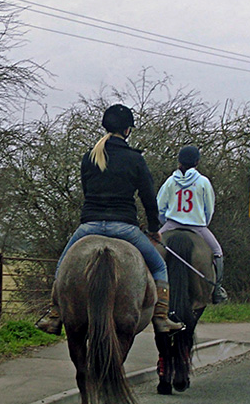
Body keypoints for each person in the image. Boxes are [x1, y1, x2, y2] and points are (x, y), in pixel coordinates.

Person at [36, 104, 183, 335]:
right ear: (127, 130)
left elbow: (87, 191)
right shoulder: (135, 159)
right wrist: (154, 228)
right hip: (125, 228)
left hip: (90, 227)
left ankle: (54, 315)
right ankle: (162, 318)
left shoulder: (90, 158)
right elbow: (148, 198)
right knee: (159, 266)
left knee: (63, 265)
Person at [155, 145, 228, 304]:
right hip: (198, 227)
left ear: (179, 162)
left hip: (171, 225)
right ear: (197, 162)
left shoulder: (170, 182)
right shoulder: (203, 182)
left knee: (150, 248)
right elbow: (209, 208)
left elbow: (160, 207)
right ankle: (217, 290)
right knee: (217, 252)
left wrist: (164, 222)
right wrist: (203, 223)